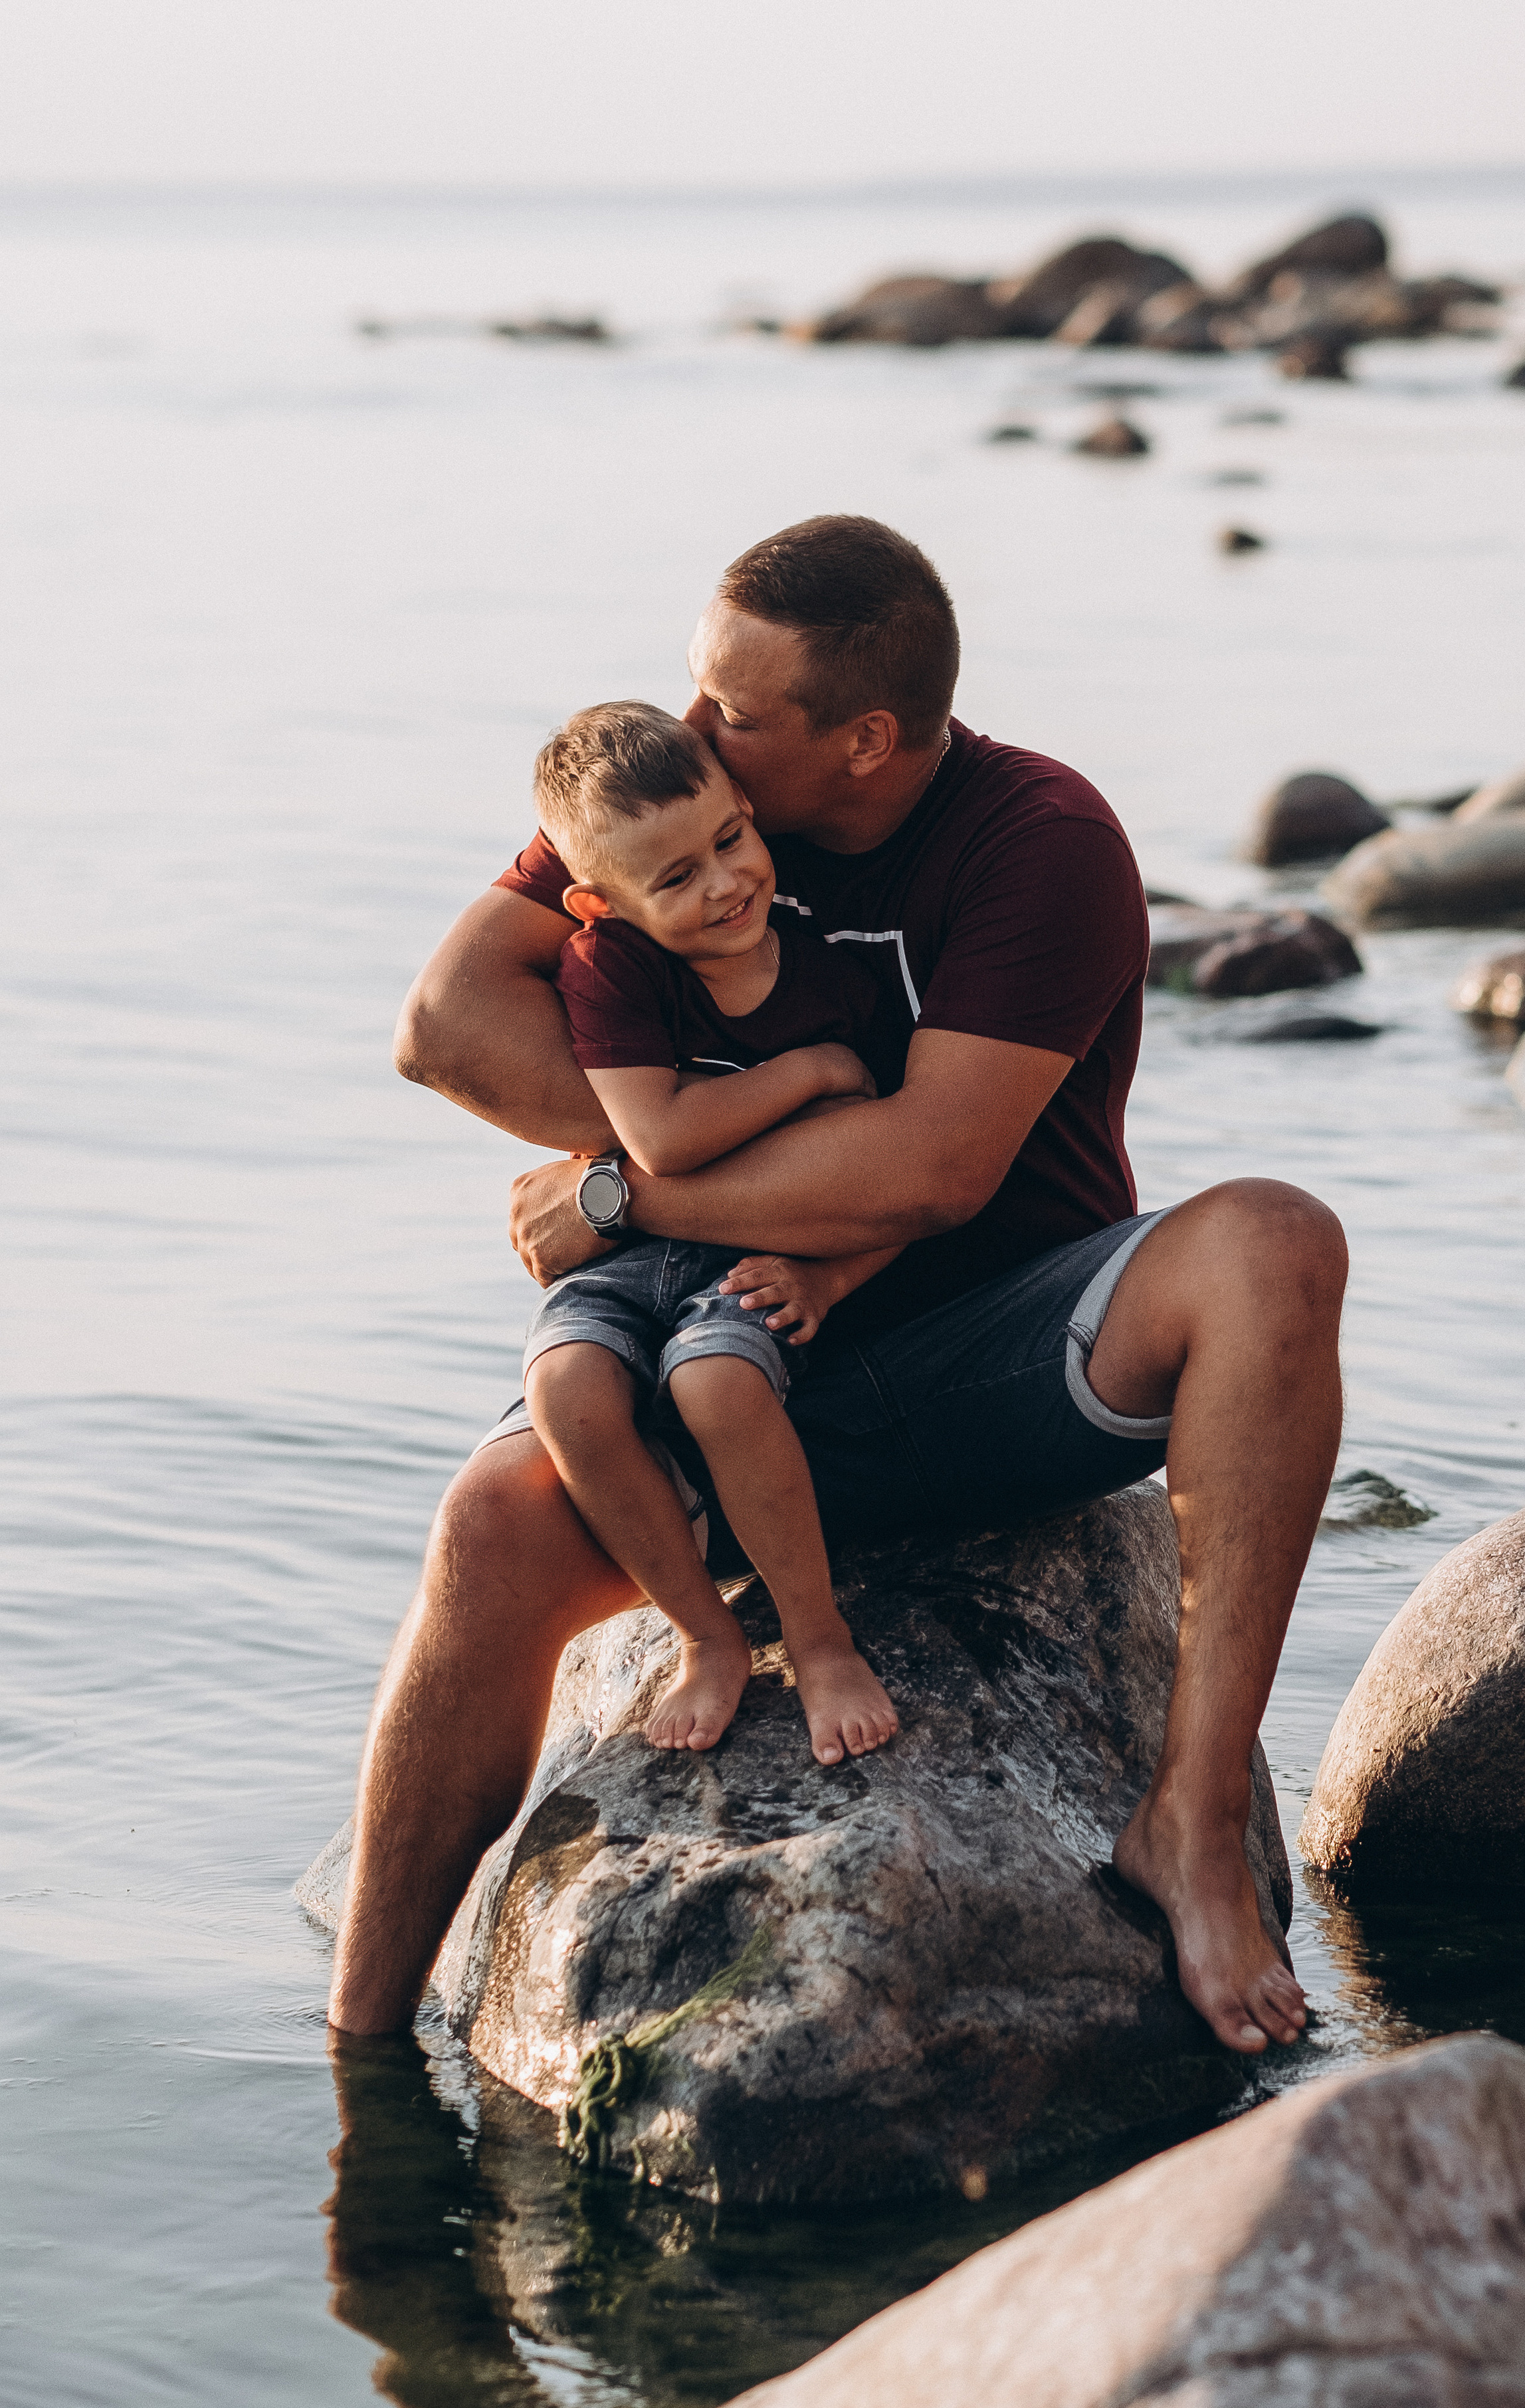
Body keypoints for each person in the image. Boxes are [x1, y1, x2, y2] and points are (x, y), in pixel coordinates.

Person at [328, 514, 1344, 2060]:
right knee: (489, 1525)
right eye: (692, 690)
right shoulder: (670, 796)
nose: (688, 730)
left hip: (1001, 1354)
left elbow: (934, 1173)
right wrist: (691, 1191)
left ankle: (1191, 1827)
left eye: (732, 709)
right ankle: (356, 2051)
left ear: (864, 742)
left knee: (1273, 1238)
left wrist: (620, 1189)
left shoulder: (1039, 843)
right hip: (718, 1337)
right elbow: (448, 1027)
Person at [519, 697, 901, 1766]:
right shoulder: (612, 969)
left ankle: (820, 1642)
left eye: (729, 841)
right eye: (674, 879)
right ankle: (705, 1633)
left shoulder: (840, 981)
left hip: (758, 1259)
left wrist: (832, 1283)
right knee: (567, 1390)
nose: (726, 884)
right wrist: (813, 1070)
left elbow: (902, 1188)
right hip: (626, 1258)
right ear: (600, 903)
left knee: (715, 1382)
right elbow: (662, 1136)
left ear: (745, 807)